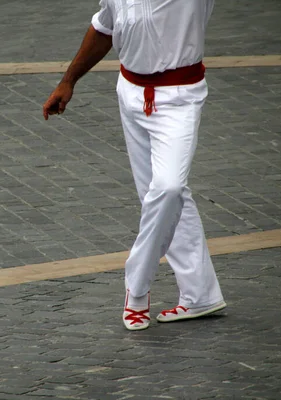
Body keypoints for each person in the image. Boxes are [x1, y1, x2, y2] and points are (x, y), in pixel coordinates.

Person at [43, 0, 226, 330]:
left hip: (179, 98)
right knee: (159, 196)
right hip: (130, 94)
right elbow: (105, 26)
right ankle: (201, 294)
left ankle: (137, 288)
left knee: (168, 188)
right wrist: (69, 80)